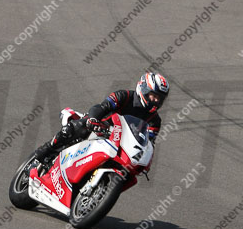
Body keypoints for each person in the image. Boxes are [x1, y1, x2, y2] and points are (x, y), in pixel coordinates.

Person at [33, 72, 170, 172]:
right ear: (144, 89)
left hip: (120, 146)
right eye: (153, 96)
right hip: (100, 128)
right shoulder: (124, 96)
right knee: (77, 127)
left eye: (160, 98)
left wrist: (146, 161)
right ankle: (43, 153)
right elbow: (102, 107)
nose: (156, 101)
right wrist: (93, 120)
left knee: (126, 171)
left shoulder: (155, 121)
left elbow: (148, 143)